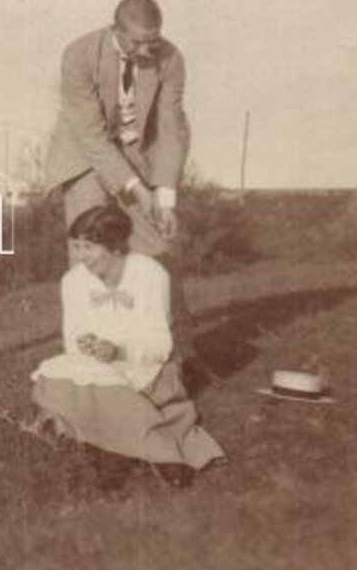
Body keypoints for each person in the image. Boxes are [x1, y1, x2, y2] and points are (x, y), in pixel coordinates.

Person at [30, 205, 225, 491]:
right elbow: (73, 340)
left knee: (99, 395)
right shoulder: (73, 282)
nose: (81, 257)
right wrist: (89, 346)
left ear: (116, 247)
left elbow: (159, 343)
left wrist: (120, 352)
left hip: (144, 363)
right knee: (50, 381)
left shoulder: (150, 274)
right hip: (98, 367)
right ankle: (146, 446)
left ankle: (140, 452)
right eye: (76, 247)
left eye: (88, 247)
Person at [42, 0, 189, 256]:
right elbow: (91, 137)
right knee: (92, 241)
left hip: (136, 153)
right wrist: (135, 188)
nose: (145, 51)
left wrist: (165, 201)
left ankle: (152, 294)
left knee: (157, 247)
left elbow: (171, 132)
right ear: (116, 30)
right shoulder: (79, 54)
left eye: (152, 42)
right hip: (83, 155)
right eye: (137, 42)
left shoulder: (172, 59)